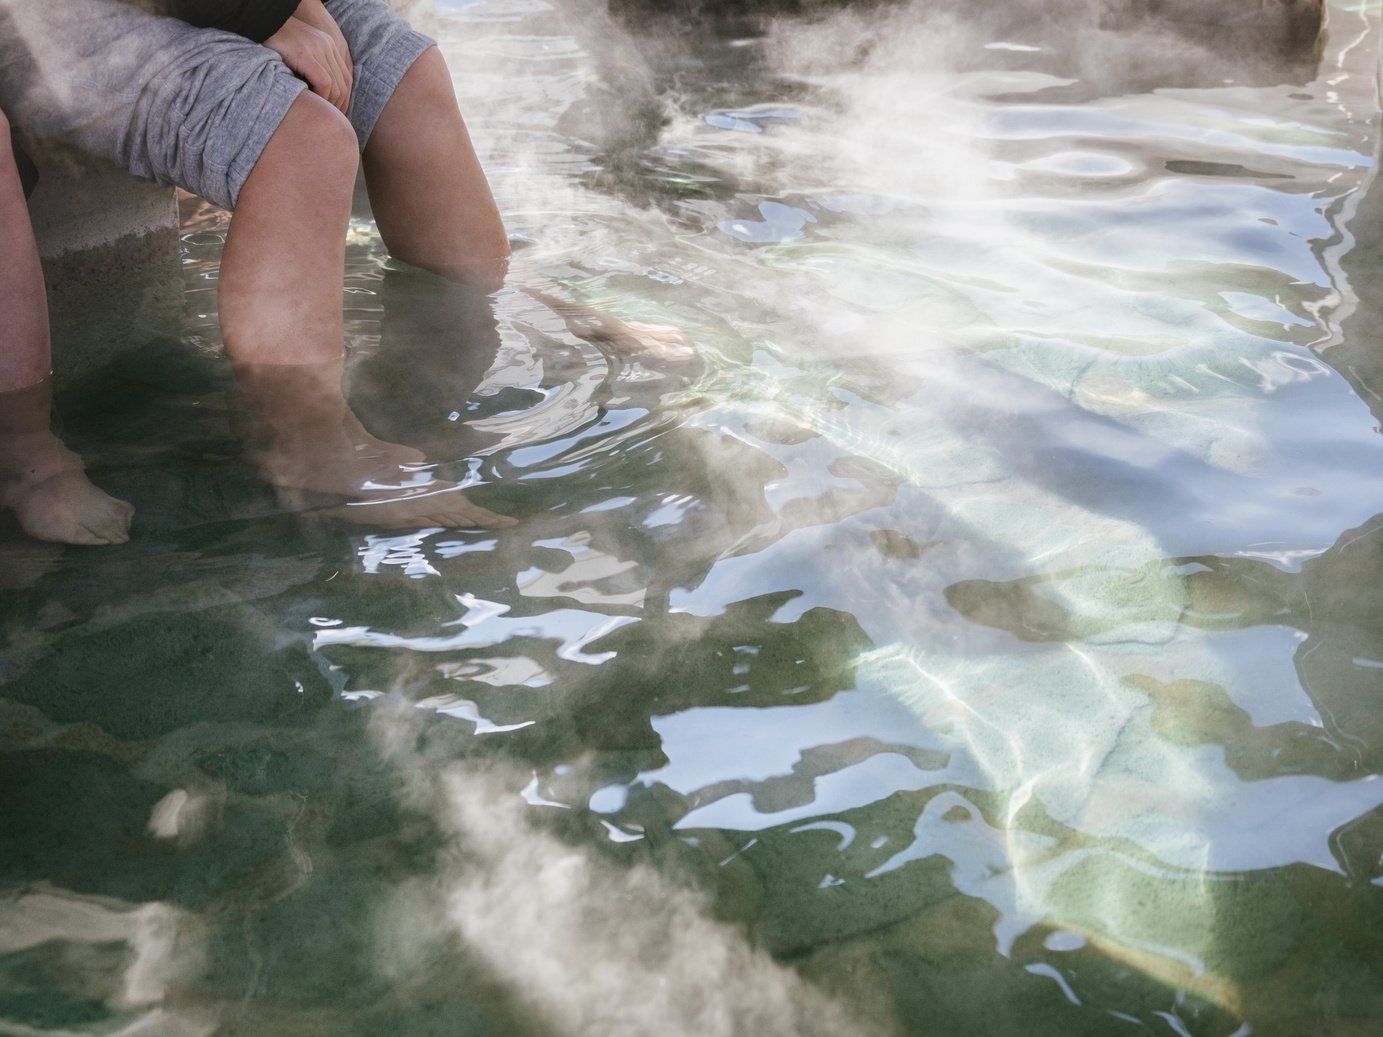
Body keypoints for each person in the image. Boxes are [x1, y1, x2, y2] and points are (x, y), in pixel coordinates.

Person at [0, 0, 685, 545]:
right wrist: (263, 17)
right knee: (300, 139)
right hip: (50, 20)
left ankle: (501, 297)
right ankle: (309, 448)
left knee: (404, 68)